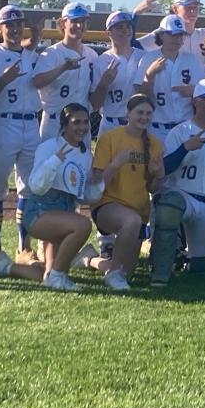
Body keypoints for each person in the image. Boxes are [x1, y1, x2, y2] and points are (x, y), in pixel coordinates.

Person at [0, 103, 100, 291]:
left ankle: (6, 267)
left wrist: (103, 179)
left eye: (85, 122)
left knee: (48, 275)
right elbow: (35, 185)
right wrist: (55, 160)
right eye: (76, 122)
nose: (82, 127)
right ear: (65, 124)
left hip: (64, 214)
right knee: (83, 225)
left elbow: (82, 196)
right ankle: (58, 275)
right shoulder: (49, 146)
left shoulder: (86, 155)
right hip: (40, 212)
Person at [151, 79, 205, 286]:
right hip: (182, 195)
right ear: (195, 102)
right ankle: (160, 274)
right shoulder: (180, 132)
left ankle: (186, 254)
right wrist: (185, 148)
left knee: (202, 268)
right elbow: (164, 170)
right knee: (169, 207)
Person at [0, 4, 42, 264]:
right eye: (9, 25)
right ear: (0, 28)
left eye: (18, 24)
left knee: (28, 188)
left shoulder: (31, 55)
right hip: (5, 123)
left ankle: (23, 246)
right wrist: (3, 80)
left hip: (31, 125)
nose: (14, 29)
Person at [84, 94, 165, 291]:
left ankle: (89, 259)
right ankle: (113, 273)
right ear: (127, 113)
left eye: (148, 113)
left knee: (127, 274)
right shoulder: (110, 138)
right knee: (131, 222)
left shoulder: (155, 144)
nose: (144, 117)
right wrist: (117, 163)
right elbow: (98, 183)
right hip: (107, 204)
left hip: (138, 210)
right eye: (139, 112)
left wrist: (158, 176)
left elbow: (153, 189)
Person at [134, 14, 205, 144]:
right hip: (157, 128)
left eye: (181, 35)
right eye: (173, 34)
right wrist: (149, 75)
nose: (178, 38)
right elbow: (141, 96)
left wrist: (194, 91)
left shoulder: (192, 60)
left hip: (186, 127)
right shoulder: (148, 59)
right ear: (162, 35)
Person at [33, 2, 97, 140]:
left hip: (81, 124)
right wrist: (63, 68)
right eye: (74, 21)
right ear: (63, 23)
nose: (80, 25)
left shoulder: (91, 54)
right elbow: (37, 82)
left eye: (84, 21)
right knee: (50, 161)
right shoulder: (52, 53)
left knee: (80, 161)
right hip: (55, 122)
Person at [90, 11, 146, 139]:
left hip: (138, 124)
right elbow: (95, 105)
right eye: (119, 27)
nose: (125, 31)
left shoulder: (143, 57)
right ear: (108, 32)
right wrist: (104, 83)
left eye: (128, 26)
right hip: (110, 124)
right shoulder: (101, 61)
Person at [138, 0, 205, 55]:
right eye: (188, 6)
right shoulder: (166, 33)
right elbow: (132, 45)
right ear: (175, 9)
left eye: (195, 6)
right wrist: (135, 13)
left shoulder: (204, 34)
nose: (192, 11)